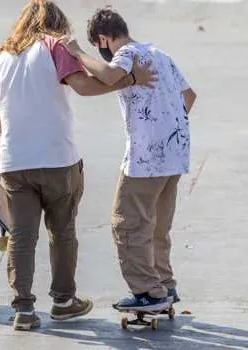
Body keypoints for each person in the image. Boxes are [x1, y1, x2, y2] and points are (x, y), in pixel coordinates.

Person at [0, 0, 156, 331]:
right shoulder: (54, 46)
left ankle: (24, 309)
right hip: (56, 159)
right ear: (55, 22)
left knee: (21, 236)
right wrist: (129, 80)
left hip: (13, 162)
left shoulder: (2, 57)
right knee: (61, 232)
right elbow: (85, 86)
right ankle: (63, 302)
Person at [61, 6, 197, 312]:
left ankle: (149, 293)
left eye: (101, 47)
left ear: (105, 39)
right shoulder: (161, 54)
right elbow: (189, 96)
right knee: (157, 225)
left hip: (145, 158)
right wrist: (167, 125)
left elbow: (109, 76)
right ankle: (166, 284)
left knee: (127, 224)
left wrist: (77, 52)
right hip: (174, 155)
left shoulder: (126, 54)